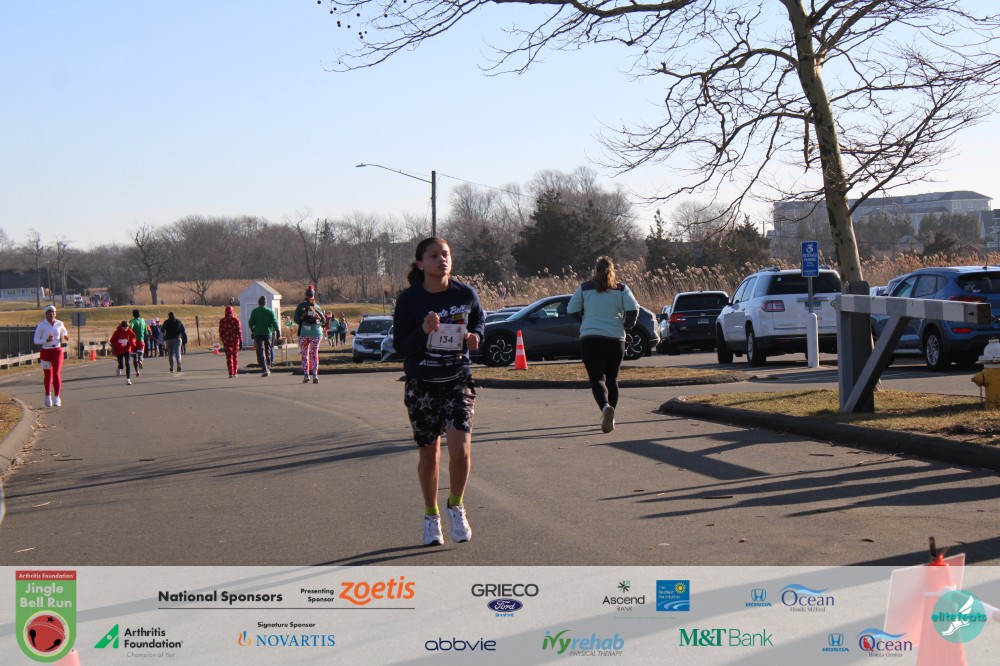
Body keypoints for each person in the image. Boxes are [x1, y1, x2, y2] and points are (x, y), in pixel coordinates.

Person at [393, 237, 484, 546]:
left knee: (461, 450)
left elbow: (479, 322)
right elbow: (400, 345)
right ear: (421, 263)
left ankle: (456, 505)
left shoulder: (465, 294)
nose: (441, 259)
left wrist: (476, 337)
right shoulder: (409, 300)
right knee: (430, 455)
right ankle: (431, 515)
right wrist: (423, 330)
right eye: (434, 255)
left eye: (445, 254)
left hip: (457, 379)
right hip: (422, 384)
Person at [567, 256, 639, 434]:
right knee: (612, 379)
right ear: (613, 270)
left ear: (596, 270)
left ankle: (605, 408)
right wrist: (626, 324)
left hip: (591, 338)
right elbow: (633, 308)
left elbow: (571, 309)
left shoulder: (585, 288)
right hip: (615, 338)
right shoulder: (621, 288)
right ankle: (611, 416)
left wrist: (584, 320)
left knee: (597, 378)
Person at [33, 305, 70, 407]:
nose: (52, 314)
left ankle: (57, 397)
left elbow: (64, 332)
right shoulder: (41, 325)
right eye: (49, 312)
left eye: (53, 312)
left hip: (57, 350)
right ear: (45, 314)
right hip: (46, 351)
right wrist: (46, 340)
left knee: (56, 373)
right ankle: (47, 395)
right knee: (48, 375)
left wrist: (65, 336)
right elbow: (36, 340)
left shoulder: (59, 323)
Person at [293, 285, 325, 383]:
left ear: (305, 295)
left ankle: (306, 375)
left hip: (304, 333)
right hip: (316, 333)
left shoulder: (300, 307)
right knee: (314, 354)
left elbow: (296, 319)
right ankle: (315, 375)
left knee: (304, 354)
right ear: (313, 295)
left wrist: (303, 320)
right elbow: (323, 320)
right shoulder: (317, 307)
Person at [248, 296, 279, 376]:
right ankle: (268, 365)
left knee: (260, 351)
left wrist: (253, 330)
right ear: (265, 303)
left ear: (259, 303)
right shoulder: (270, 311)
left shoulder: (255, 311)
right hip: (268, 333)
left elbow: (251, 323)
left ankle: (264, 368)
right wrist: (278, 330)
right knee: (268, 349)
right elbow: (274, 322)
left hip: (258, 334)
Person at [218, 305, 243, 378]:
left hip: (226, 341)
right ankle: (235, 372)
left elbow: (221, 332)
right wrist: (241, 340)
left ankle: (230, 372)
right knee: (235, 356)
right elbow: (239, 331)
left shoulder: (222, 321)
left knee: (229, 357)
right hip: (235, 341)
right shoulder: (236, 320)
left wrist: (223, 339)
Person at [110, 320, 137, 385]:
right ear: (121, 326)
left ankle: (128, 379)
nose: (125, 329)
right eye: (124, 328)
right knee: (121, 365)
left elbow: (134, 337)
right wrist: (119, 343)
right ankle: (119, 367)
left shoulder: (129, 330)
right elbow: (112, 341)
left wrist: (131, 341)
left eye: (126, 328)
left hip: (127, 349)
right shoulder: (117, 332)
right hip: (119, 349)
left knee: (127, 363)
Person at [128, 309, 148, 377]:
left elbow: (130, 328)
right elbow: (146, 331)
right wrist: (146, 334)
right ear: (139, 314)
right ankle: (140, 360)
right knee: (140, 353)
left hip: (134, 341)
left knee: (134, 356)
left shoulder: (132, 321)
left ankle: (137, 371)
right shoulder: (143, 321)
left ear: (133, 315)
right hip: (141, 339)